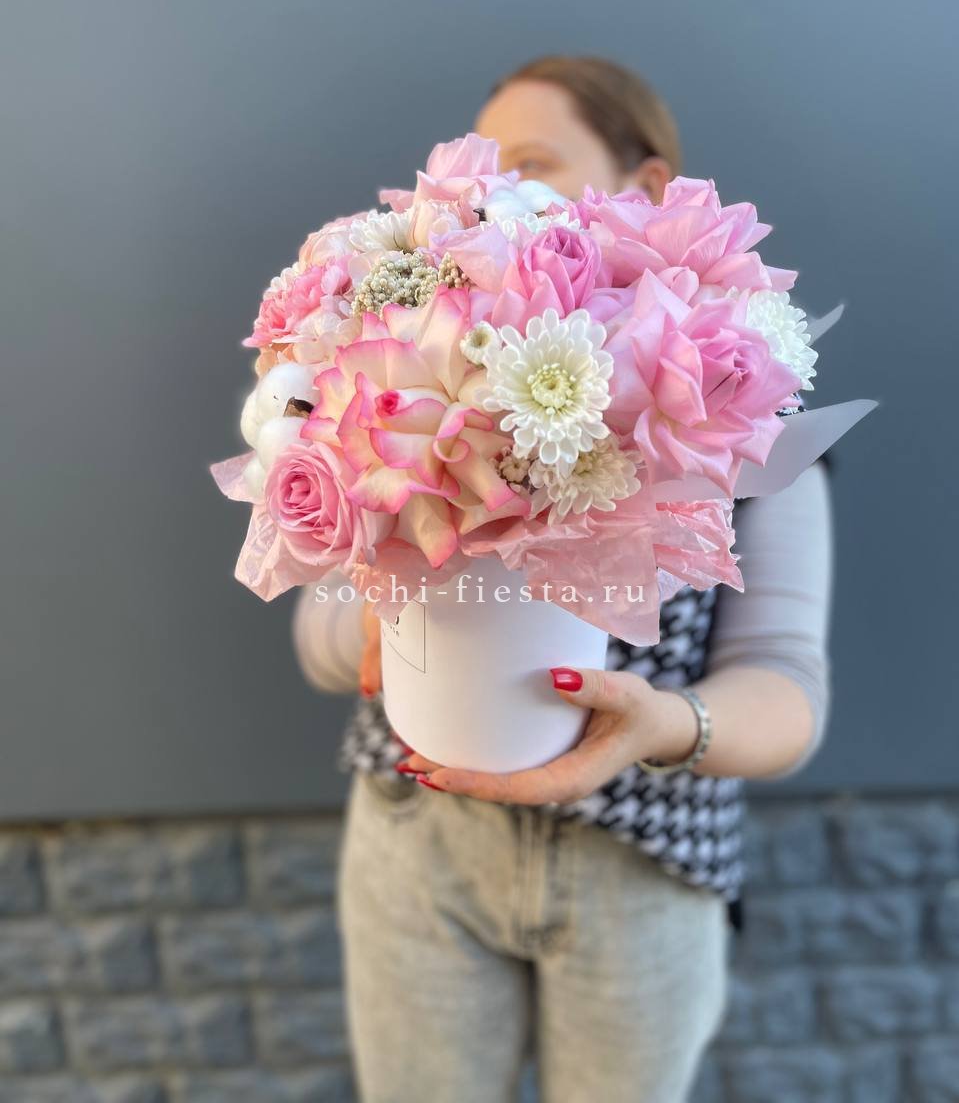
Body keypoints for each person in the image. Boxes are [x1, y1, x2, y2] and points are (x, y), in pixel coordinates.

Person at [293, 56, 833, 1103]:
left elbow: (785, 684)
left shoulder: (740, 404)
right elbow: (318, 625)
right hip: (421, 841)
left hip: (645, 859)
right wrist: (378, 619)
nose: (496, 197)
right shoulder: (408, 371)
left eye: (531, 166)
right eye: (481, 177)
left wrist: (665, 724)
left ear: (645, 185)